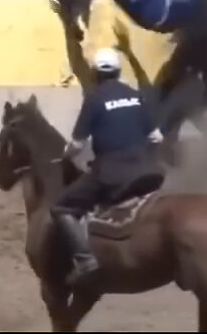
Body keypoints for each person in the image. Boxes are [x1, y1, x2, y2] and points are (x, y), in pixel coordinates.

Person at [52, 47, 165, 288]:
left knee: (61, 208)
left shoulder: (94, 99)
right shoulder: (136, 95)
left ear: (95, 74)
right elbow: (157, 137)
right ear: (118, 71)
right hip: (149, 170)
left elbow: (77, 143)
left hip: (113, 174)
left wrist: (65, 155)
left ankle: (84, 260)